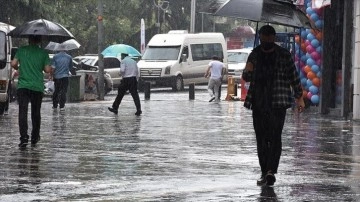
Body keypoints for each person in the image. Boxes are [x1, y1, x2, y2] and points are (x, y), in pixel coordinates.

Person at [242, 25, 305, 186]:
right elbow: (246, 77)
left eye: (269, 38)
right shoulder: (254, 55)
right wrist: (248, 69)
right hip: (258, 102)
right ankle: (265, 171)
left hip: (278, 103)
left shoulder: (284, 55)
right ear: (261, 37)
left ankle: (271, 171)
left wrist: (299, 97)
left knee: (275, 137)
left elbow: (294, 76)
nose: (266, 41)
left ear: (273, 38)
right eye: (263, 38)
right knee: (261, 138)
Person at [11, 35, 52, 148]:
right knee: (36, 112)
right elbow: (47, 70)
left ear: (28, 40)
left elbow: (14, 64)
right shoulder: (43, 53)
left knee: (22, 112)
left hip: (23, 86)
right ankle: (35, 137)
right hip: (37, 87)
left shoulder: (21, 50)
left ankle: (24, 138)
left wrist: (19, 68)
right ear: (39, 40)